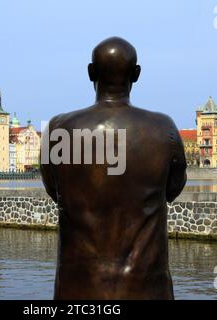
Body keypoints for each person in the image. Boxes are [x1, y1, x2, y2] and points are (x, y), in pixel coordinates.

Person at [40, 37, 187, 299]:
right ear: (137, 74)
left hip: (78, 291)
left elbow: (55, 190)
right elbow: (172, 190)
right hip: (147, 290)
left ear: (90, 72)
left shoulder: (59, 130)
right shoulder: (164, 129)